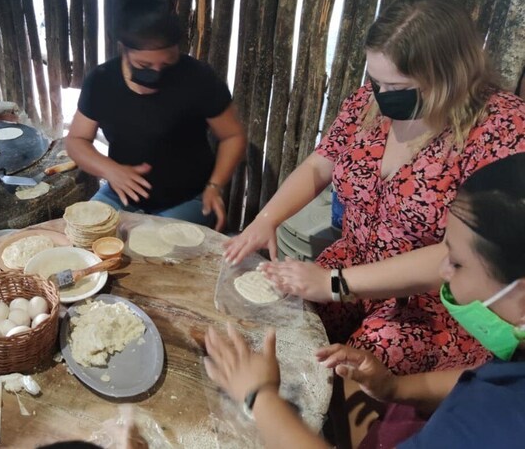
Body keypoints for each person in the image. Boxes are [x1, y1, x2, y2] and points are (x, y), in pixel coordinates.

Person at [225, 0, 525, 374]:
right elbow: (322, 163)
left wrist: (334, 284)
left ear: (452, 74)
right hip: (351, 261)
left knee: (343, 368)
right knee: (277, 322)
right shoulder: (371, 101)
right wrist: (266, 218)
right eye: (375, 81)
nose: (382, 97)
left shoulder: (502, 130)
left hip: (432, 303)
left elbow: (462, 254)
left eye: (397, 87)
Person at [206, 153, 525, 448]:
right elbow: (475, 378)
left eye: (455, 263)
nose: (441, 270)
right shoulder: (511, 358)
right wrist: (394, 388)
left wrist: (258, 397)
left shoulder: (494, 417)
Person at [66, 0, 246, 231]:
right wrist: (111, 170)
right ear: (124, 49)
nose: (157, 71)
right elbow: (77, 140)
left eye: (168, 61)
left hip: (189, 196)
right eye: (145, 64)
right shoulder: (102, 81)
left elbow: (233, 136)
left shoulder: (197, 78)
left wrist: (215, 186)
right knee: (84, 235)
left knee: (150, 247)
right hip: (122, 192)